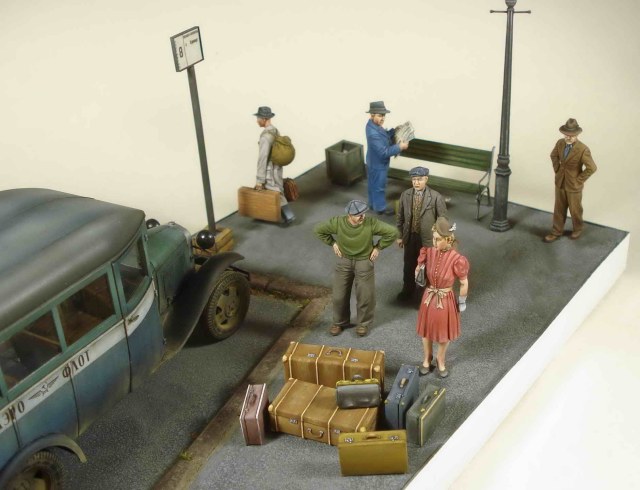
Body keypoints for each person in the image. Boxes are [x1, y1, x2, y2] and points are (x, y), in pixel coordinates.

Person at [314, 200, 399, 337]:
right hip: (344, 260)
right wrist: (333, 243)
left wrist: (378, 247)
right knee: (339, 295)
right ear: (349, 215)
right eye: (359, 215)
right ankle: (339, 322)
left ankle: (363, 324)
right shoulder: (338, 222)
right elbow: (318, 230)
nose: (362, 217)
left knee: (365, 295)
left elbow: (392, 232)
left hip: (364, 261)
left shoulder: (370, 223)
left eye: (364, 214)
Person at [415, 217, 469, 378]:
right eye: (433, 238)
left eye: (438, 239)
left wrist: (462, 301)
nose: (434, 242)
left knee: (443, 334)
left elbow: (464, 282)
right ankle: (427, 357)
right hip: (429, 296)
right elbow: (418, 272)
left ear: (448, 239)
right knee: (426, 331)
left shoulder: (457, 259)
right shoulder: (428, 252)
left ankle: (440, 358)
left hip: (445, 299)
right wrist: (419, 271)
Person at [396, 166, 447, 301]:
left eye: (419, 179)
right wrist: (400, 236)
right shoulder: (405, 195)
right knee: (408, 265)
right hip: (410, 237)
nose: (416, 182)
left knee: (426, 267)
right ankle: (407, 291)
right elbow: (400, 217)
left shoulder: (435, 197)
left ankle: (423, 295)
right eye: (414, 179)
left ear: (426, 179)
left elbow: (443, 220)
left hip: (428, 239)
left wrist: (439, 239)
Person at [544, 118, 597, 242]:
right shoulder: (560, 143)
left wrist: (579, 180)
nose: (568, 137)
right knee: (559, 209)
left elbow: (592, 168)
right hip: (560, 183)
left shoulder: (583, 149)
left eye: (571, 135)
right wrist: (557, 169)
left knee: (575, 210)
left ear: (577, 135)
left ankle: (577, 229)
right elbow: (553, 155)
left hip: (574, 185)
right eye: (566, 134)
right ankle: (556, 231)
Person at [365, 101, 409, 215]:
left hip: (372, 161)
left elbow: (384, 136)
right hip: (378, 164)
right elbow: (384, 152)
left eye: (384, 115)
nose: (383, 118)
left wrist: (394, 130)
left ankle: (372, 204)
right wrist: (400, 147)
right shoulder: (373, 133)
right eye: (380, 115)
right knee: (379, 186)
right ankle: (380, 208)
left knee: (372, 184)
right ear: (372, 115)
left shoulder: (373, 126)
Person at [253, 106, 295, 224]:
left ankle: (289, 216)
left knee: (276, 192)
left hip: (269, 171)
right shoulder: (275, 130)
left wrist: (260, 180)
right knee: (274, 191)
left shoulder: (265, 137)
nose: (257, 121)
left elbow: (262, 158)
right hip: (277, 168)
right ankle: (263, 214)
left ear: (264, 119)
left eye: (258, 118)